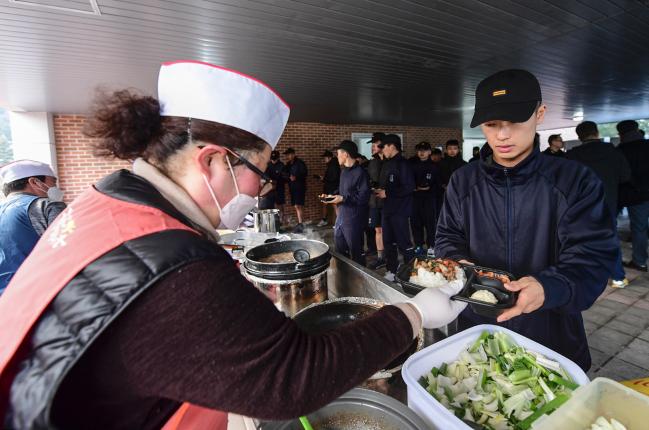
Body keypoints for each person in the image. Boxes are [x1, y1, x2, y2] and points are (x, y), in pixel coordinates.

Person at [0, 61, 466, 430]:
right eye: (258, 173)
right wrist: (414, 315)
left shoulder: (108, 196)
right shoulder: (174, 264)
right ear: (213, 161)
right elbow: (293, 378)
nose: (260, 189)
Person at [435, 69, 617, 371]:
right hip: (477, 328)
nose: (502, 135)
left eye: (515, 122)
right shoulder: (463, 181)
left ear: (540, 113)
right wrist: (458, 264)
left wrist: (549, 287)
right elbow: (447, 237)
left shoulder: (575, 181)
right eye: (491, 125)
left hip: (552, 334)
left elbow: (593, 259)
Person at [567, 121, 631, 288]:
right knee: (609, 239)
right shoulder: (613, 152)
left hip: (580, 206)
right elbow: (625, 176)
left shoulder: (573, 155)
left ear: (579, 136)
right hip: (608, 203)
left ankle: (586, 276)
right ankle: (618, 277)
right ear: (596, 133)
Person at [0, 160, 66, 295]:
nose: (56, 187)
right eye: (53, 182)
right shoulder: (47, 205)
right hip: (40, 292)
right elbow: (68, 248)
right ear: (35, 182)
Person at [375, 134, 415, 281]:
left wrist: (388, 192)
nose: (382, 150)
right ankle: (392, 270)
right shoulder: (387, 163)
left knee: (403, 243)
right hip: (387, 209)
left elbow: (409, 187)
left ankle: (411, 273)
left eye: (383, 147)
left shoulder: (403, 164)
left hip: (400, 211)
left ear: (392, 146)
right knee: (388, 242)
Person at [326, 141, 370, 265]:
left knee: (356, 252)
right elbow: (342, 190)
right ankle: (344, 278)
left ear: (345, 154)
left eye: (338, 153)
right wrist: (333, 195)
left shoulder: (361, 173)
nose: (337, 156)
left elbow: (363, 197)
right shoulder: (344, 171)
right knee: (340, 250)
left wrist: (343, 198)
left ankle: (361, 280)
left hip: (354, 218)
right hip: (341, 216)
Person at [617, 120, 649, 272]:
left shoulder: (622, 149)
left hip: (637, 195)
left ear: (621, 133)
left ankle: (640, 261)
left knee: (639, 228)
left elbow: (623, 176)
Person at [410, 141, 439, 256]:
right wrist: (413, 187)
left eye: (425, 150)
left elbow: (438, 185)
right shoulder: (412, 165)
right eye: (420, 150)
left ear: (429, 152)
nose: (422, 153)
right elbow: (408, 181)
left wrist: (429, 188)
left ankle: (432, 246)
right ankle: (418, 245)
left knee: (430, 223)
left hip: (429, 199)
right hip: (415, 198)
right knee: (416, 223)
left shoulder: (435, 166)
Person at [366, 133, 387, 269]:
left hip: (388, 202)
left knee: (389, 230)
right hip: (374, 202)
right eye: (372, 145)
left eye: (375, 144)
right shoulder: (372, 162)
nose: (373, 147)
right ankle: (381, 258)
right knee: (377, 229)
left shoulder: (391, 162)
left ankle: (390, 256)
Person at [283, 147, 308, 233]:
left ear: (293, 154)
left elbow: (305, 173)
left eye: (289, 154)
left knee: (298, 205)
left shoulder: (300, 163)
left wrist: (296, 177)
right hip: (292, 187)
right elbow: (284, 173)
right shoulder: (288, 164)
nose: (288, 156)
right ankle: (300, 223)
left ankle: (300, 224)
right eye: (287, 155)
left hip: (299, 187)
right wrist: (288, 177)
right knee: (296, 205)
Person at [316, 150, 340, 227]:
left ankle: (339, 222)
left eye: (325, 158)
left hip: (333, 188)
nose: (324, 160)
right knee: (324, 202)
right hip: (328, 187)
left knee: (334, 204)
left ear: (329, 158)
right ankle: (324, 219)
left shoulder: (334, 165)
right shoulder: (331, 165)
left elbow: (333, 178)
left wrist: (324, 179)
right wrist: (323, 178)